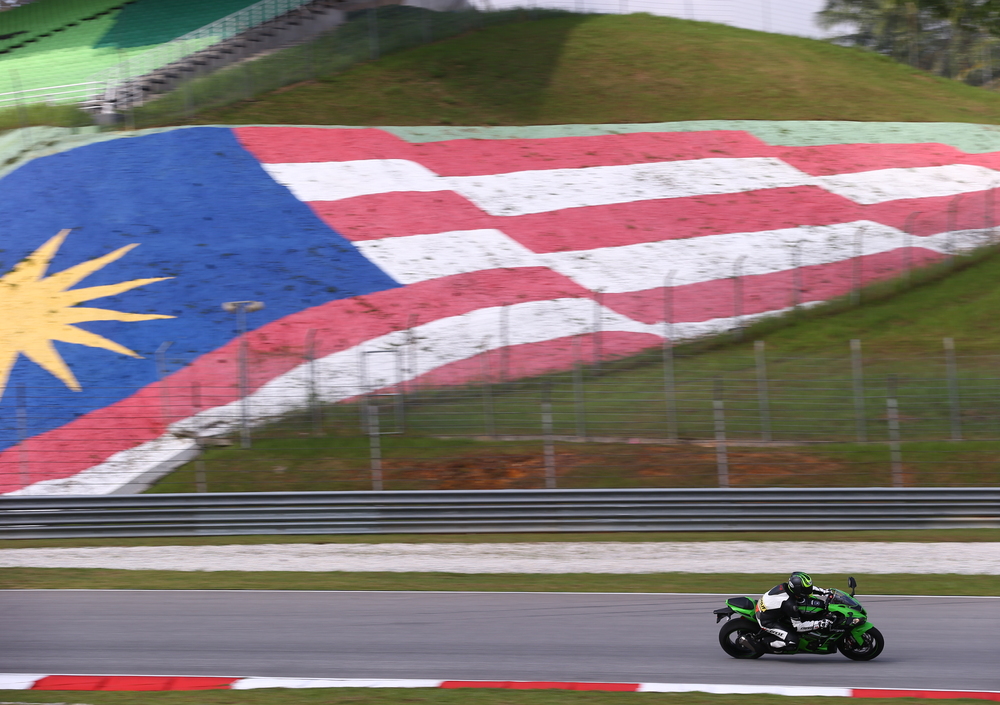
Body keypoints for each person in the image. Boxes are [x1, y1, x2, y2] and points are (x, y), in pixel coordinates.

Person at [755, 571, 835, 651]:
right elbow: (798, 626)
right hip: (766, 621)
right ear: (797, 589)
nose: (808, 591)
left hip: (770, 609)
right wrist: (819, 624)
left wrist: (824, 591)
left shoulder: (787, 586)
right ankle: (763, 644)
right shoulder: (790, 604)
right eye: (805, 589)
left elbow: (808, 588)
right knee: (793, 642)